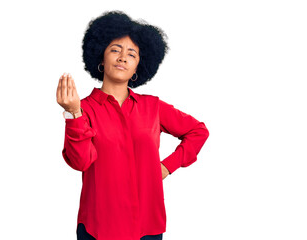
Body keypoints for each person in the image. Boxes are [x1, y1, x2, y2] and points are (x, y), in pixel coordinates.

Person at [56, 10, 209, 240]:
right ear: (101, 57)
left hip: (147, 227)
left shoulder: (153, 107)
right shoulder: (84, 109)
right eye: (115, 50)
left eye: (132, 54)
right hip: (99, 227)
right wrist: (73, 113)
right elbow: (81, 161)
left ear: (138, 66)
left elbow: (197, 131)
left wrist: (167, 167)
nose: (122, 57)